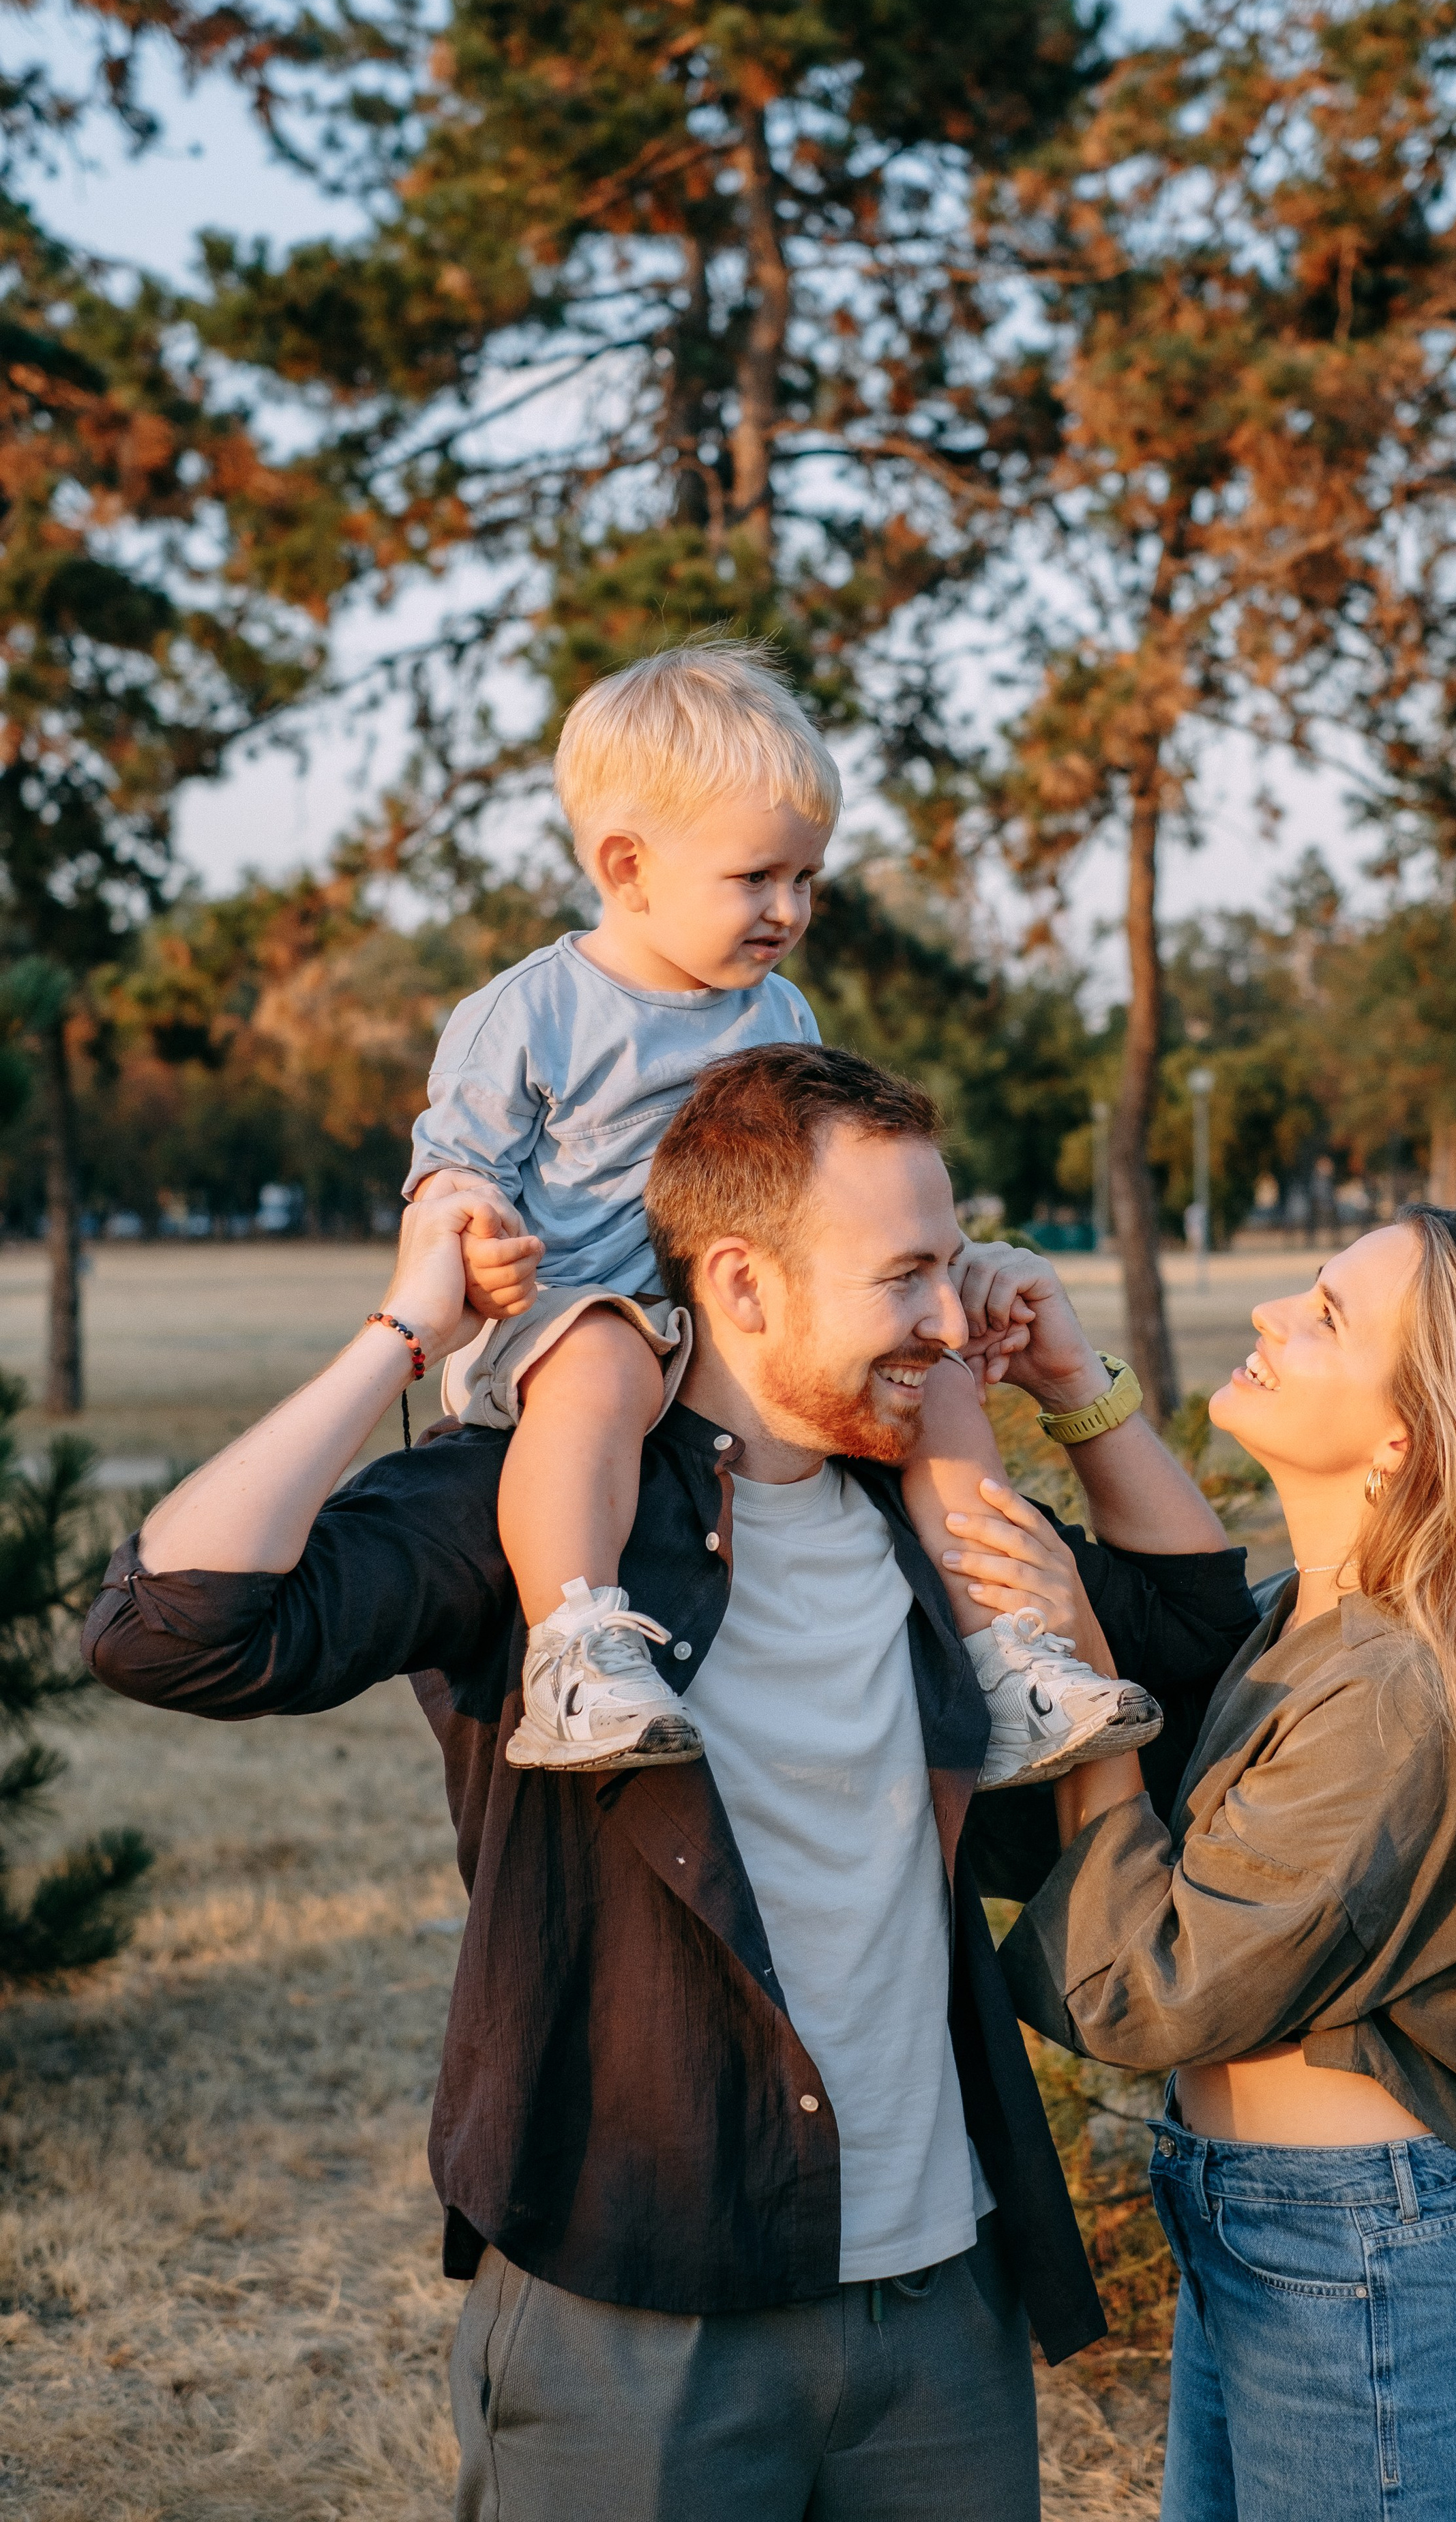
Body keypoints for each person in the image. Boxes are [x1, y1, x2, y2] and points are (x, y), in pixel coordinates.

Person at [84, 1043, 1260, 2522]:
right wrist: (401, 1329)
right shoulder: (542, 1513)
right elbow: (165, 1633)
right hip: (631, 2310)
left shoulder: (934, 1520)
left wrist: (1079, 1385)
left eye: (950, 1268)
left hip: (940, 2305)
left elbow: (1206, 1661)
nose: (946, 1321)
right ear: (742, 1282)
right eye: (903, 1276)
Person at [977, 1207, 1456, 2521]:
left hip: (1366, 2264)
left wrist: (1091, 1701)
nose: (1272, 1316)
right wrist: (1075, 1390)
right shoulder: (1320, 1621)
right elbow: (1197, 1627)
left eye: (1329, 1314)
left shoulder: (1399, 1693)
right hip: (1286, 2236)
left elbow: (1148, 1989)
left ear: (1406, 1437)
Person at [407, 638, 1159, 1791]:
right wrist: (478, 1236)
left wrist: (926, 1272)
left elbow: (827, 1189)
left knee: (941, 1373)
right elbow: (448, 1178)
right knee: (606, 1353)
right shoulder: (530, 1013)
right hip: (561, 1323)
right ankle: (576, 1652)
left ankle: (1009, 1653)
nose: (790, 909)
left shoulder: (781, 1010)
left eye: (806, 880)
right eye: (758, 878)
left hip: (731, 1319)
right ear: (627, 866)